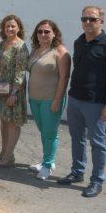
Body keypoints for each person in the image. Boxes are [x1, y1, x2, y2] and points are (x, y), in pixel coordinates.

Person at [57, 6, 106, 198]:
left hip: (96, 103)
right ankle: (77, 172)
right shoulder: (79, 41)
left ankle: (97, 180)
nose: (87, 22)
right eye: (84, 19)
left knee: (97, 143)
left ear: (101, 21)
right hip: (75, 99)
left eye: (92, 19)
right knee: (76, 138)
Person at [27, 20, 71, 180]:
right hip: (34, 98)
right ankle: (47, 160)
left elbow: (64, 78)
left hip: (51, 99)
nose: (43, 34)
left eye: (47, 31)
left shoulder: (60, 52)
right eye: (40, 31)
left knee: (50, 133)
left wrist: (57, 100)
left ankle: (47, 165)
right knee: (44, 131)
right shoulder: (36, 50)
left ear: (54, 33)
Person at [0, 15, 29, 167]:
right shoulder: (1, 45)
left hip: (14, 90)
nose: (10, 29)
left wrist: (14, 93)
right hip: (1, 89)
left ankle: (8, 156)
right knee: (4, 121)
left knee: (13, 123)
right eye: (7, 26)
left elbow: (20, 71)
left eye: (13, 26)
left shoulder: (21, 46)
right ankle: (4, 152)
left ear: (18, 28)